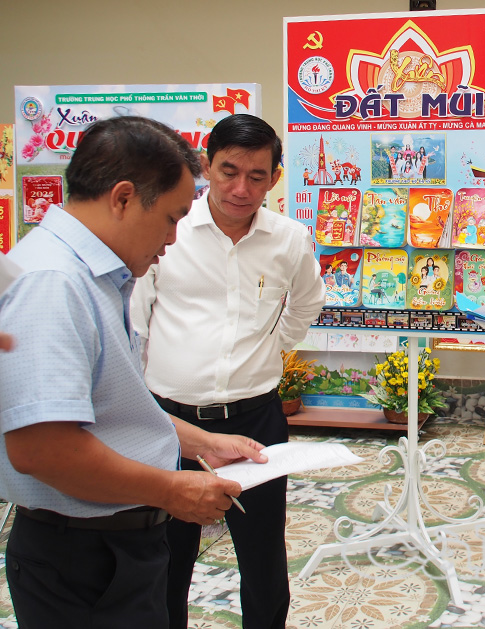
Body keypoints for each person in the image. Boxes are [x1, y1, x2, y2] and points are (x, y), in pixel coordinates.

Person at [0, 116, 267, 629]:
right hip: (84, 559)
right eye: (170, 218)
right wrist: (171, 490)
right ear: (123, 198)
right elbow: (43, 449)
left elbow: (111, 411)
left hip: (111, 549)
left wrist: (203, 443)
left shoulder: (93, 278)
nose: (171, 239)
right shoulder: (53, 283)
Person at [132, 114, 325, 629]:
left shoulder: (289, 239)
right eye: (229, 171)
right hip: (169, 424)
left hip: (255, 422)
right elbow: (136, 323)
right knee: (166, 558)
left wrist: (273, 346)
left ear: (275, 178)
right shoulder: (168, 231)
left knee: (263, 559)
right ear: (205, 166)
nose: (241, 189)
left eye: (257, 176)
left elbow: (307, 302)